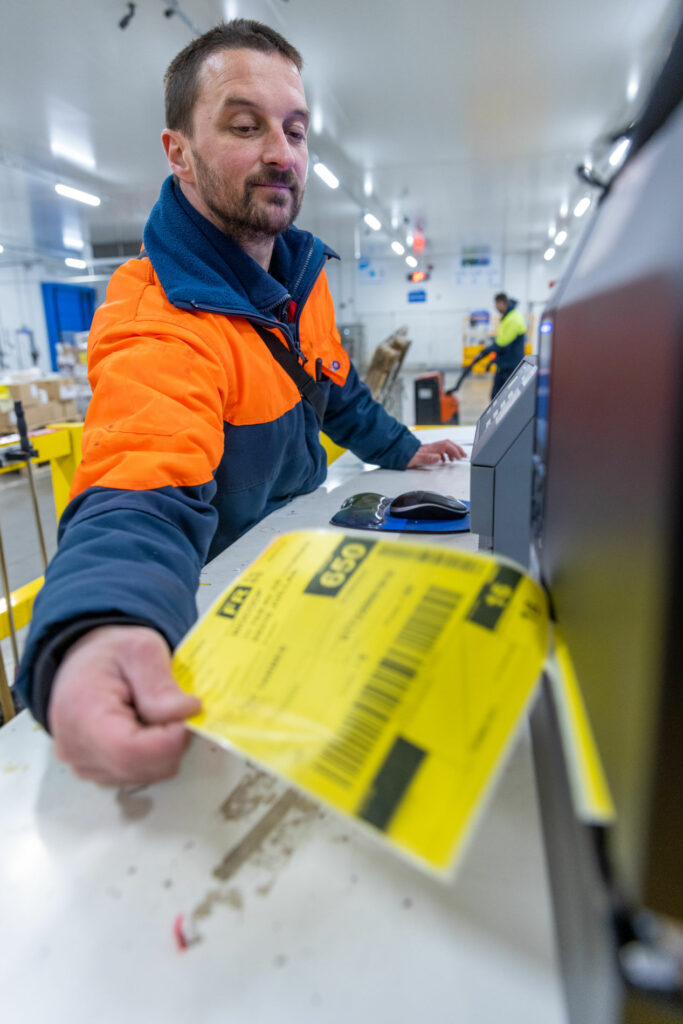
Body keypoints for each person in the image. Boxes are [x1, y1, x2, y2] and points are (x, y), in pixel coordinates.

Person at [16, 20, 466, 787]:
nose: (280, 152)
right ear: (178, 153)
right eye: (244, 125)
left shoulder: (302, 273)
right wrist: (103, 625)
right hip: (214, 604)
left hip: (302, 560)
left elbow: (336, 391)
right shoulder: (158, 314)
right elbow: (138, 489)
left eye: (294, 130)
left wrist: (402, 450)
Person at [488, 293, 527, 398]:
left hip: (511, 366)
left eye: (496, 304)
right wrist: (494, 360)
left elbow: (503, 344)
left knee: (505, 397)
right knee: (496, 396)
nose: (495, 307)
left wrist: (485, 351)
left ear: (501, 303)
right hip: (504, 365)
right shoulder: (507, 317)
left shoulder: (513, 318)